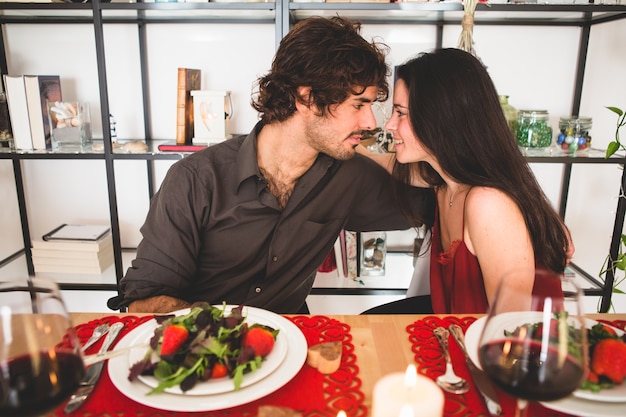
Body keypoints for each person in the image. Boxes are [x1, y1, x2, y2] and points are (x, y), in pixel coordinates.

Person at [107, 16, 434, 314]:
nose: (369, 121)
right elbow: (145, 301)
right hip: (203, 357)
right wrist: (229, 340)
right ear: (307, 99)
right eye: (358, 105)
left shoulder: (349, 176)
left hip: (292, 348)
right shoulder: (195, 180)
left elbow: (438, 196)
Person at [359, 48, 572, 314]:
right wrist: (353, 143)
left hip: (501, 346)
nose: (389, 125)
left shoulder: (488, 204)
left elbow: (509, 327)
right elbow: (398, 167)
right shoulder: (443, 181)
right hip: (459, 328)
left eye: (401, 113)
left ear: (439, 118)